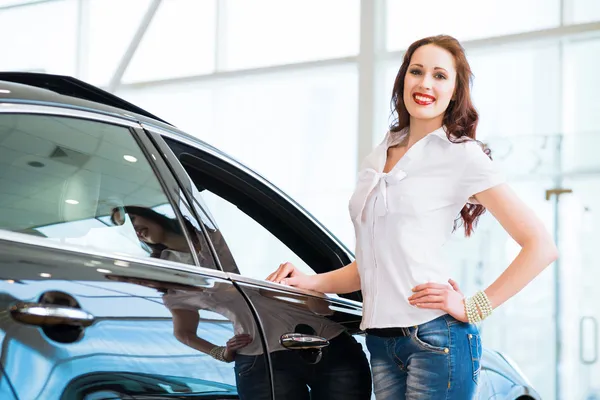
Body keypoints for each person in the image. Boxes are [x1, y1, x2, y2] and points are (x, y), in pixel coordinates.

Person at [267, 34, 558, 399]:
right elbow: (370, 266)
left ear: (455, 91)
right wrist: (308, 282)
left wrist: (473, 307)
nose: (424, 84)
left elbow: (541, 246)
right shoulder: (379, 155)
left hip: (436, 338)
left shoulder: (462, 156)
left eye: (440, 76)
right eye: (416, 71)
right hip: (381, 342)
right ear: (403, 79)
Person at [110, 205, 237, 272]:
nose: (134, 230)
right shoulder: (162, 265)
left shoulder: (201, 228)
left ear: (147, 214)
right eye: (127, 229)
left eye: (131, 220)